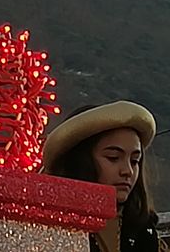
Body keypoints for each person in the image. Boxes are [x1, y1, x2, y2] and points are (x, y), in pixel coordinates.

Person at [42, 101, 166, 252]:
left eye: (134, 161)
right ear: (81, 161)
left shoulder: (144, 231)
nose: (128, 171)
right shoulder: (49, 228)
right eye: (113, 158)